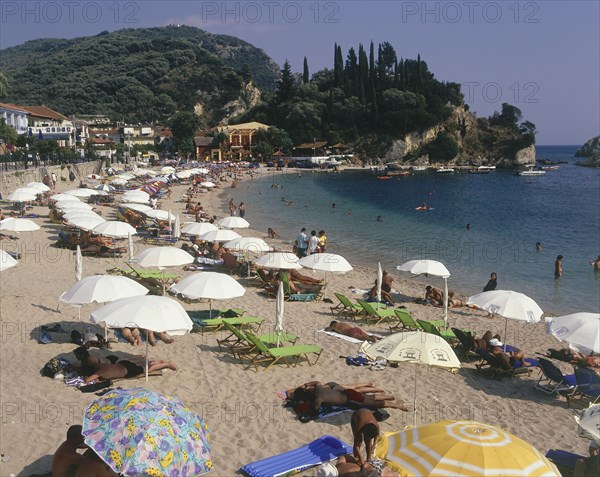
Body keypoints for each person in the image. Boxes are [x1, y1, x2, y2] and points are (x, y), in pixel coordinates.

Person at [291, 382, 408, 415]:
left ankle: (397, 405)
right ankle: (390, 396)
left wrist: (303, 407)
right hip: (346, 392)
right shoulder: (318, 388)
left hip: (350, 399)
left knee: (372, 403)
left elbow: (314, 410)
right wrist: (306, 385)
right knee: (369, 397)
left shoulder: (317, 398)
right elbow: (316, 382)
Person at [73, 346, 177, 382]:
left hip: (128, 370)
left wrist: (87, 376)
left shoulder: (99, 371)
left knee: (148, 369)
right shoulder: (101, 367)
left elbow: (87, 380)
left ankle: (167, 364)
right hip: (122, 364)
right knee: (144, 364)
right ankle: (161, 361)